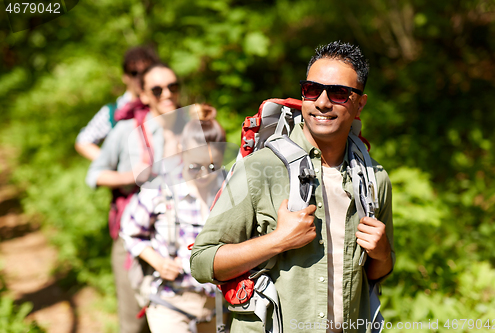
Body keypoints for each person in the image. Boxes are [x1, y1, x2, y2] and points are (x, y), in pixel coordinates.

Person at [190, 41, 395, 333]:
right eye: (312, 89)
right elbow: (201, 261)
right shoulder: (261, 168)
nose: (322, 102)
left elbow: (377, 272)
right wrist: (279, 240)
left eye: (338, 93)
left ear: (360, 103)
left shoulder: (374, 179)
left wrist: (383, 253)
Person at [86, 62, 184, 333]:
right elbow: (94, 175)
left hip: (181, 236)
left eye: (173, 87)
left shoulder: (192, 127)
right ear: (143, 95)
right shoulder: (126, 131)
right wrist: (132, 176)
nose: (167, 94)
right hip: (135, 238)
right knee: (135, 323)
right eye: (157, 89)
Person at [120, 104, 226, 333]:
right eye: (195, 166)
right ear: (181, 149)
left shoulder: (230, 187)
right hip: (170, 300)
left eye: (212, 166)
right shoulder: (161, 187)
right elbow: (129, 231)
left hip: (219, 304)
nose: (204, 175)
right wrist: (158, 262)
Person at [75, 46, 159, 161]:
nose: (140, 77)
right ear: (125, 77)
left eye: (145, 71)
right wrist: (111, 165)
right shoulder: (113, 111)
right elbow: (83, 141)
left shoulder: (161, 104)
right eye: (134, 73)